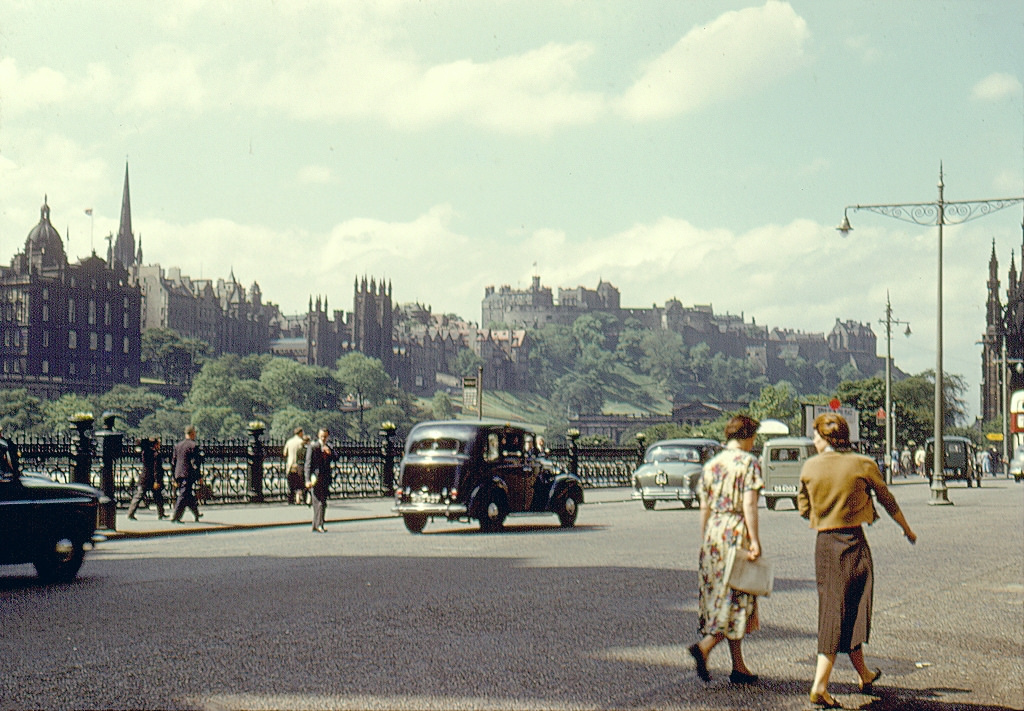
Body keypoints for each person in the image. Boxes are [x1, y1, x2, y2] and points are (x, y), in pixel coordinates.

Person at [798, 412, 917, 709]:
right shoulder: (863, 464)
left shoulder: (809, 467)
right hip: (854, 542)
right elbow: (888, 500)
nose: (813, 441)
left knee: (836, 608)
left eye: (816, 436)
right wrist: (906, 528)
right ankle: (820, 685)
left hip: (825, 544)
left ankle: (864, 674)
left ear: (826, 439)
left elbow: (803, 507)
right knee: (851, 607)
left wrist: (827, 511)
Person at [688, 414, 764, 685]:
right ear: (747, 436)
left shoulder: (711, 465)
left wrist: (704, 539)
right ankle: (705, 646)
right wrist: (754, 540)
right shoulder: (748, 463)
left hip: (713, 534)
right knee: (738, 598)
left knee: (721, 595)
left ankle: (739, 666)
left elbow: (704, 507)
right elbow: (749, 505)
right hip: (735, 531)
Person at [127, 437, 166, 520]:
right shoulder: (156, 454)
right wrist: (157, 480)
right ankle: (161, 513)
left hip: (144, 477)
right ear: (155, 444)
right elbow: (157, 468)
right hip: (152, 479)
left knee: (139, 496)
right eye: (158, 443)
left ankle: (131, 512)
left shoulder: (145, 452)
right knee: (157, 496)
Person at [305, 428, 336, 533]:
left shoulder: (329, 446)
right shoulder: (313, 446)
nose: (323, 438)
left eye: (325, 436)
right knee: (319, 502)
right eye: (322, 436)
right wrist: (307, 480)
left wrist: (330, 452)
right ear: (318, 435)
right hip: (315, 478)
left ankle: (316, 524)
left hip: (325, 478)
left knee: (321, 502)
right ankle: (319, 525)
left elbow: (336, 457)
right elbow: (308, 465)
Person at [170, 426, 203, 523]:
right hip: (188, 474)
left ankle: (196, 514)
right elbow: (195, 464)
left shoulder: (178, 445)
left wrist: (174, 477)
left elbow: (173, 462)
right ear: (193, 433)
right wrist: (199, 476)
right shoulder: (194, 446)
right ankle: (176, 517)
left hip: (178, 473)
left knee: (188, 495)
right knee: (183, 495)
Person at [283, 427, 306, 505]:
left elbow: (285, 453)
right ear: (300, 433)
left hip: (290, 465)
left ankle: (290, 500)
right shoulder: (301, 442)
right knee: (301, 484)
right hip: (299, 465)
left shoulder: (289, 441)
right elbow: (304, 453)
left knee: (291, 484)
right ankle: (303, 499)